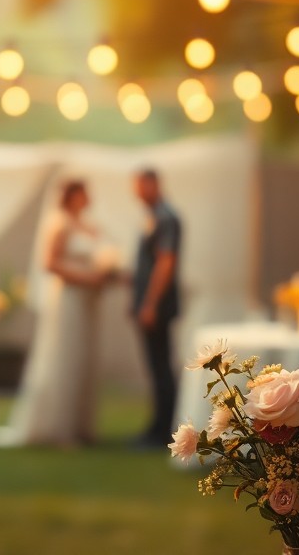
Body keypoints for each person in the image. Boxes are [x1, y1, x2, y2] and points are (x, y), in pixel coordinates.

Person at [0, 180, 118, 448]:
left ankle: (82, 424)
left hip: (88, 301)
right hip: (69, 298)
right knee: (66, 356)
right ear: (72, 196)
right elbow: (50, 262)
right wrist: (86, 277)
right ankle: (60, 428)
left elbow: (100, 257)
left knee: (85, 358)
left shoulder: (89, 226)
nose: (88, 198)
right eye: (84, 193)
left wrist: (108, 272)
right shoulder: (58, 223)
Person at [131, 168, 181, 450]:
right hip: (149, 303)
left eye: (139, 186)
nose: (136, 193)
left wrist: (149, 303)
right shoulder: (154, 217)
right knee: (155, 365)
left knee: (161, 366)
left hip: (158, 306)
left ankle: (163, 430)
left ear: (153, 184)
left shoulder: (166, 217)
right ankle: (157, 424)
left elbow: (166, 262)